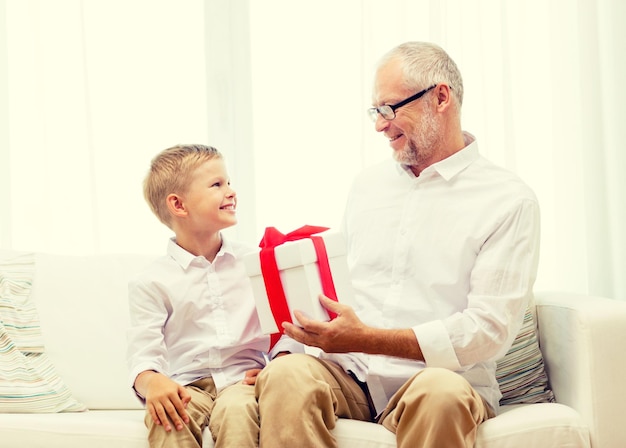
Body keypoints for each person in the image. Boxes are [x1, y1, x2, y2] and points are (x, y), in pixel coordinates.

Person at [255, 41, 540, 447]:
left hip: (440, 380)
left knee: (442, 396)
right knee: (285, 374)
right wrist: (288, 348)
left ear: (440, 97)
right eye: (375, 111)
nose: (379, 125)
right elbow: (336, 288)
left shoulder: (508, 200)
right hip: (349, 373)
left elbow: (487, 332)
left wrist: (366, 338)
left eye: (389, 108)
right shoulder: (367, 186)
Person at [126, 144, 302, 448]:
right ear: (179, 205)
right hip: (186, 386)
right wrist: (152, 381)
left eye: (229, 182)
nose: (231, 191)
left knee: (239, 413)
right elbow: (144, 354)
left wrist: (280, 362)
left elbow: (287, 328)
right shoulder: (150, 281)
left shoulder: (257, 262)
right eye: (217, 185)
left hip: (242, 382)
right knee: (167, 418)